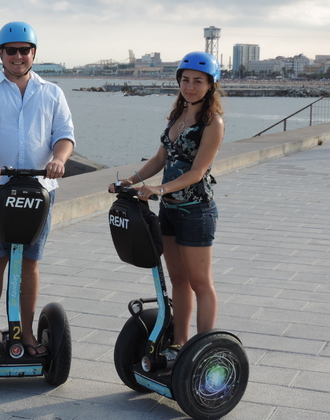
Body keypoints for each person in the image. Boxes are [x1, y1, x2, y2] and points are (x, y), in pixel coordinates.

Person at [0, 22, 75, 357]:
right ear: (1, 54)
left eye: (25, 50)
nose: (19, 56)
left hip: (39, 191)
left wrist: (59, 158)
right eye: (12, 50)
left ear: (34, 53)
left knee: (28, 264)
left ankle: (24, 333)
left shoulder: (52, 92)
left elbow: (64, 135)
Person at [111, 51, 224, 362]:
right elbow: (161, 159)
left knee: (201, 282)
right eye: (185, 80)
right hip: (170, 211)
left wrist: (159, 188)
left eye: (198, 82)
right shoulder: (178, 116)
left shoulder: (212, 123)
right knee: (178, 280)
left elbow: (197, 171)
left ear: (210, 85)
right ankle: (179, 343)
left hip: (196, 211)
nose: (190, 87)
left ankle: (203, 349)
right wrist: (129, 182)